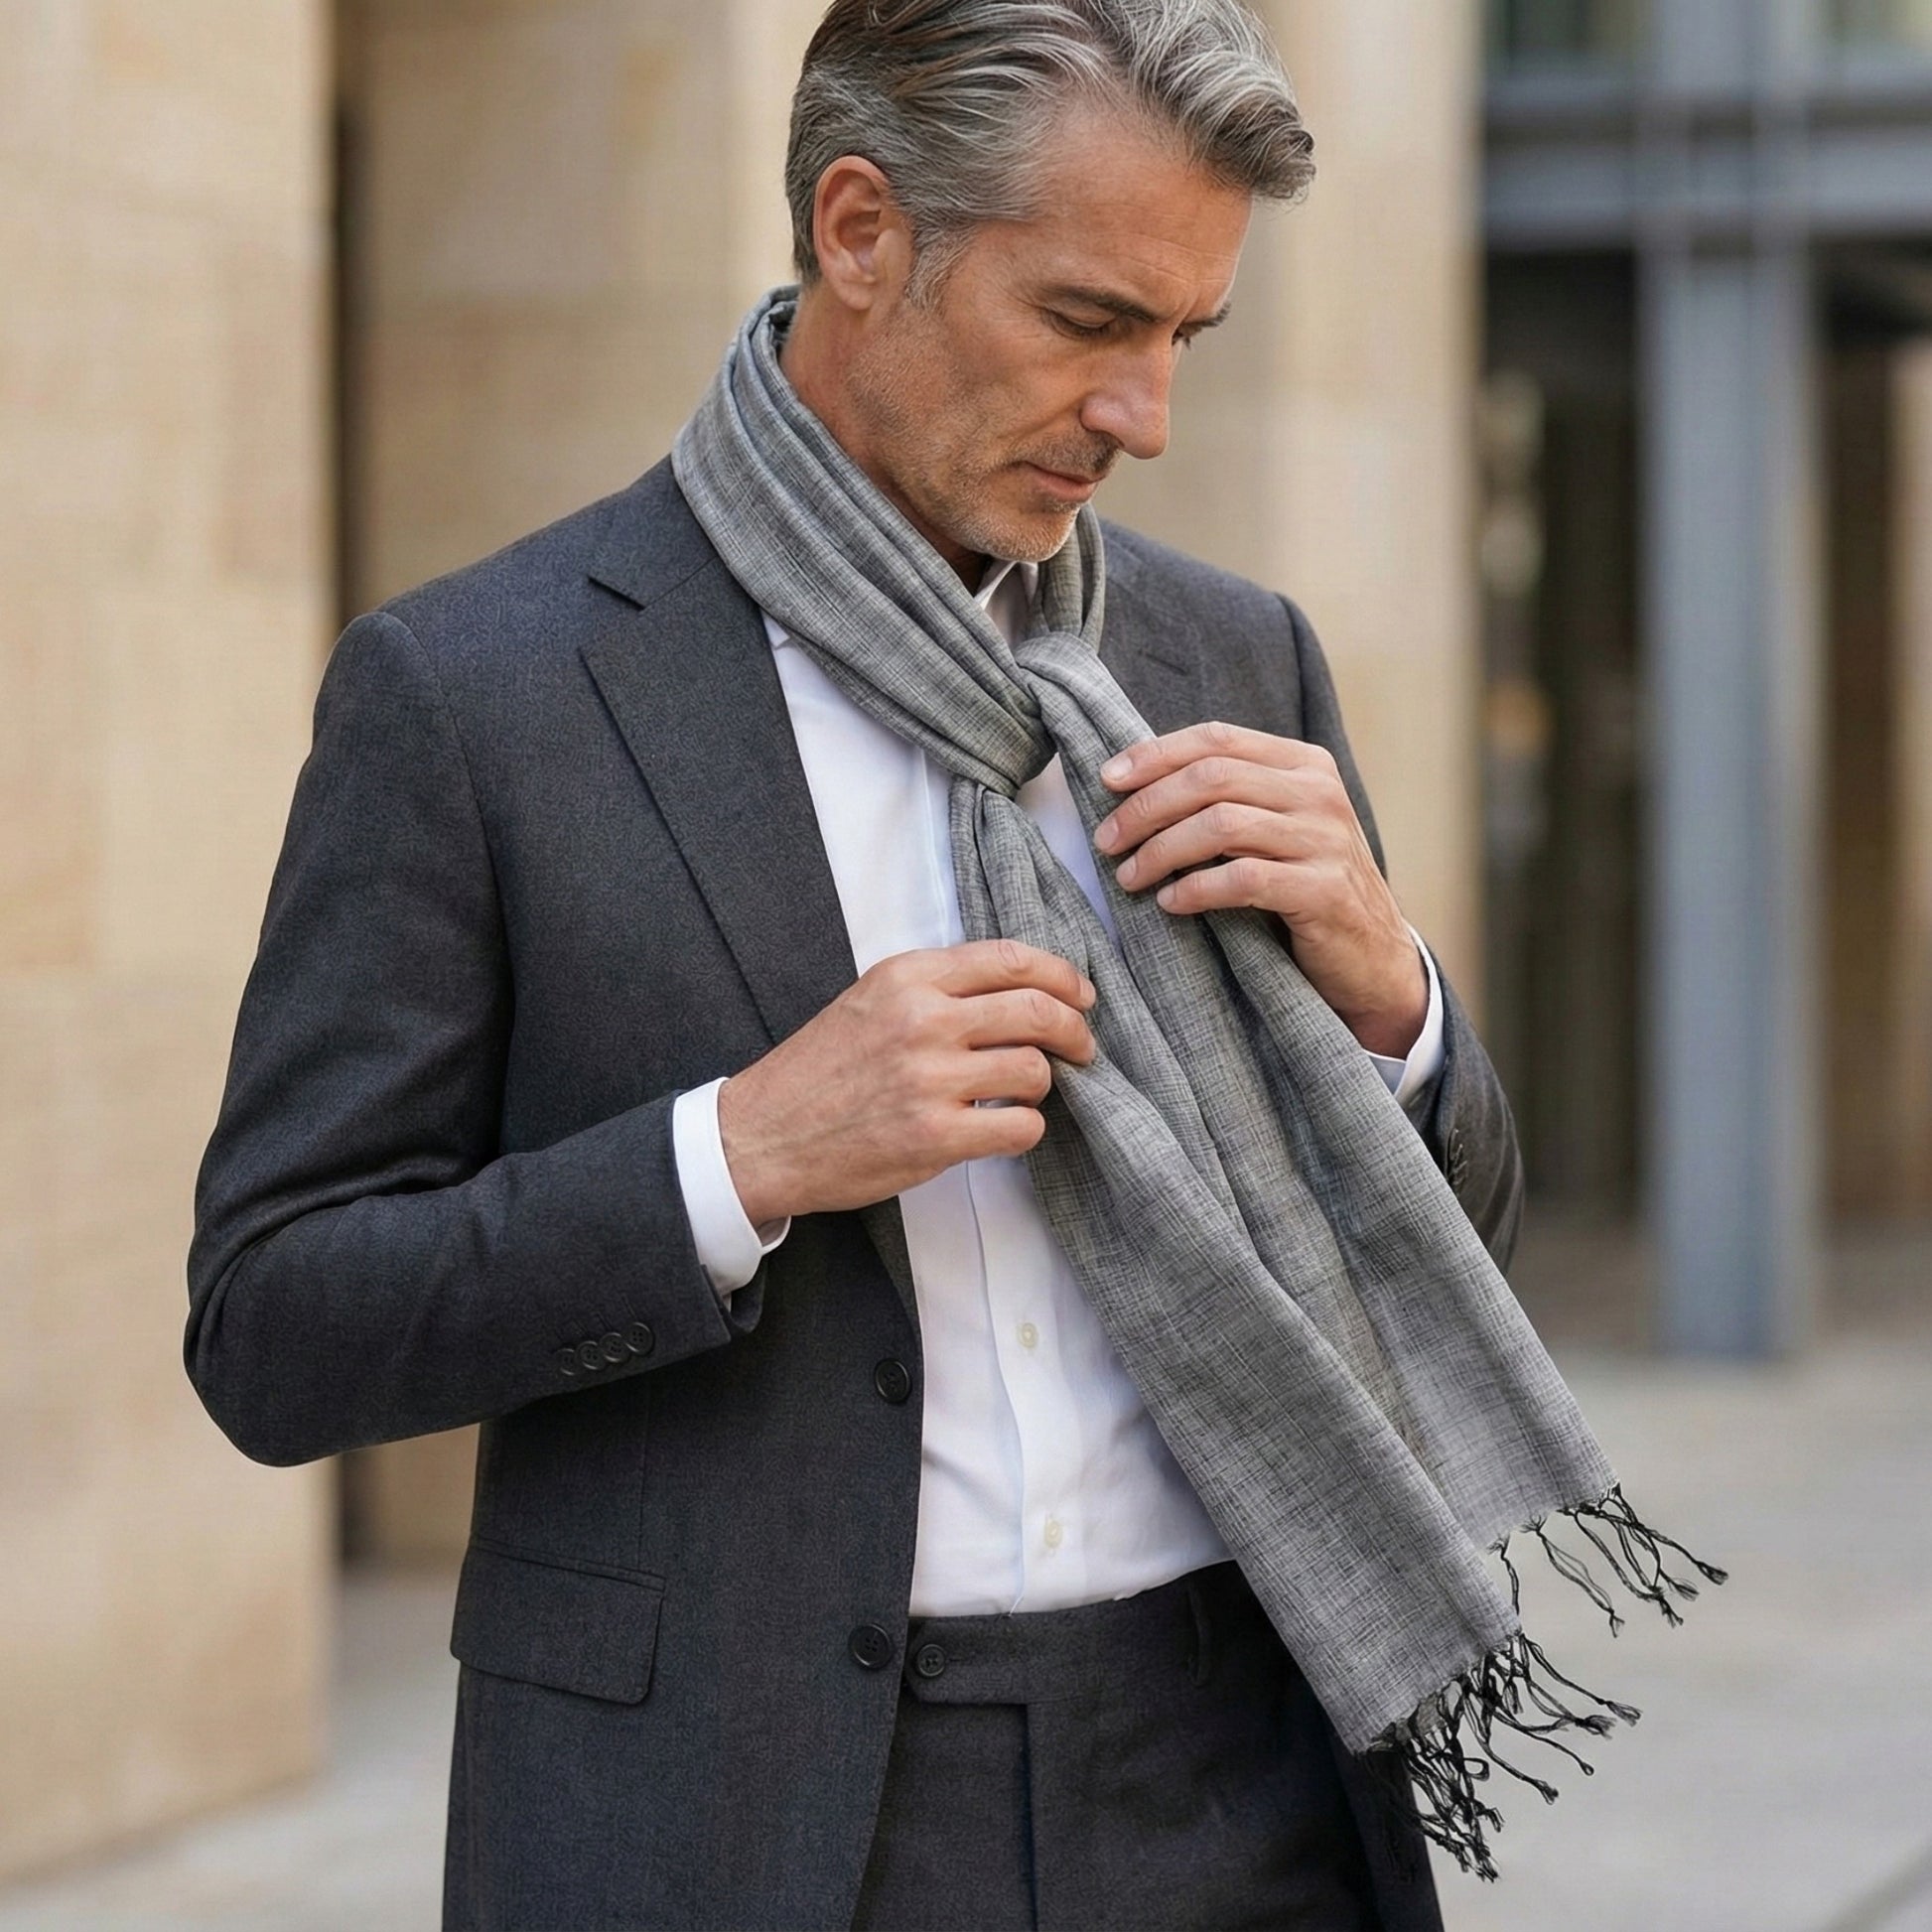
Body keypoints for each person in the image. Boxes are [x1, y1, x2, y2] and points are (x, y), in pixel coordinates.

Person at [188, 2, 1633, 1926]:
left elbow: (1450, 1231)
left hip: (1254, 1771)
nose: (1147, 418)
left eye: (1185, 337)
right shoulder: (479, 695)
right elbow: (275, 1324)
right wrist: (739, 1154)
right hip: (750, 1806)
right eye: (1090, 321)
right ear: (859, 232)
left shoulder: (1225, 660)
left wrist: (1392, 995)